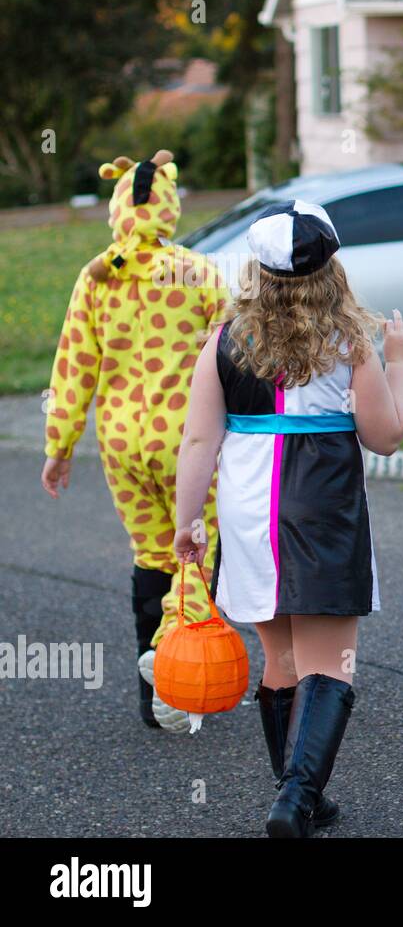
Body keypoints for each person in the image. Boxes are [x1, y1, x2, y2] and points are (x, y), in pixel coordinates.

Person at [172, 201, 403, 837]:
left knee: (279, 657)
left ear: (259, 271)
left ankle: (296, 789)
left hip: (250, 515)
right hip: (323, 510)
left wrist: (185, 522)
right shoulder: (350, 344)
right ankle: (297, 799)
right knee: (331, 662)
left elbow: (198, 442)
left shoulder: (224, 342)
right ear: (331, 268)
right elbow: (385, 437)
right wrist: (401, 360)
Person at [40, 150, 226, 731]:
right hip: (187, 439)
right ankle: (185, 677)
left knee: (151, 556)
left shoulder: (96, 277)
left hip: (122, 442)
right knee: (197, 547)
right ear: (169, 205)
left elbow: (74, 366)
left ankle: (152, 685)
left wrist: (59, 445)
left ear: (118, 205)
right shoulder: (197, 271)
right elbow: (233, 350)